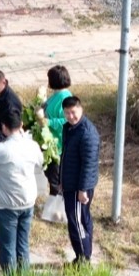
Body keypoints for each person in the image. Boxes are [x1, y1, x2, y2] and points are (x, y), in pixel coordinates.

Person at [0, 109, 43, 270]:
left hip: (6, 205)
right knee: (23, 244)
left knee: (7, 247)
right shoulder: (32, 145)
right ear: (22, 125)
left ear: (3, 127)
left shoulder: (0, 150)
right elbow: (40, 161)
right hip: (27, 202)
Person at [59, 97, 100, 264]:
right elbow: (66, 157)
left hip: (79, 187)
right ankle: (83, 255)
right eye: (67, 113)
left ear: (80, 110)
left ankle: (83, 258)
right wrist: (62, 180)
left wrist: (82, 190)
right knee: (80, 219)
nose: (70, 116)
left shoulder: (87, 133)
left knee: (78, 223)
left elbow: (89, 164)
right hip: (71, 182)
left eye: (73, 112)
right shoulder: (70, 128)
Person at [42, 65, 73, 197]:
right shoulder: (56, 95)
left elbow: (67, 120)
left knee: (55, 179)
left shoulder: (65, 97)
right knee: (51, 176)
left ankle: (58, 208)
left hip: (59, 145)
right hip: (51, 143)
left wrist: (48, 122)